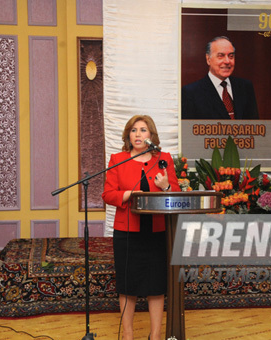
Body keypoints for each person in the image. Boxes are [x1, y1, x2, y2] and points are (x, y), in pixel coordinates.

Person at [102, 115, 180, 340]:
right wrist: (128, 194)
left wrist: (165, 187)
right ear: (128, 135)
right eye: (133, 130)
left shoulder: (163, 159)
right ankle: (128, 335)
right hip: (127, 232)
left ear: (151, 135)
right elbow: (108, 194)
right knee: (129, 285)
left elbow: (176, 193)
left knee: (156, 284)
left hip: (157, 232)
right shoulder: (118, 159)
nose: (138, 134)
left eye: (143, 130)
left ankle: (155, 335)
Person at [182, 36, 259, 120]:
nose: (227, 61)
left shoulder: (245, 87)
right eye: (220, 56)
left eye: (231, 56)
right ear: (208, 59)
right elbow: (189, 130)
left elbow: (254, 127)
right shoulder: (190, 93)